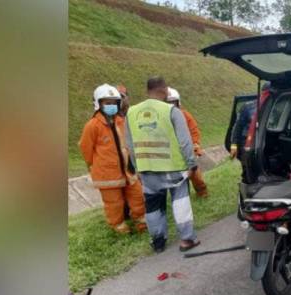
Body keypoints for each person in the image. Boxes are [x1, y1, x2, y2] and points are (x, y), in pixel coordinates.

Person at [126, 76, 200, 253]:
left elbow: (129, 145)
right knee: (180, 202)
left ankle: (158, 242)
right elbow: (185, 141)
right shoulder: (171, 111)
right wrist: (192, 164)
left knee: (152, 206)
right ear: (165, 90)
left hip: (147, 168)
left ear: (147, 91)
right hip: (173, 167)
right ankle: (187, 240)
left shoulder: (131, 112)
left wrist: (137, 169)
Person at [78, 84, 147, 234]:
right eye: (107, 103)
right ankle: (120, 228)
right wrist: (93, 165)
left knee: (137, 196)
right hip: (107, 174)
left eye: (114, 102)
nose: (111, 106)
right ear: (98, 103)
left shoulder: (121, 121)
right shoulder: (92, 126)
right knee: (114, 204)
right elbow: (85, 148)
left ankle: (142, 223)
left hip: (128, 170)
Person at [166, 87, 208, 198]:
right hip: (172, 153)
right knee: (178, 178)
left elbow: (194, 130)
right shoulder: (162, 118)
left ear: (177, 102)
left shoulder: (185, 115)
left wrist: (195, 145)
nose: (170, 104)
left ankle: (202, 193)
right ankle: (183, 197)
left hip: (187, 150)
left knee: (196, 175)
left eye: (172, 102)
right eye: (168, 102)